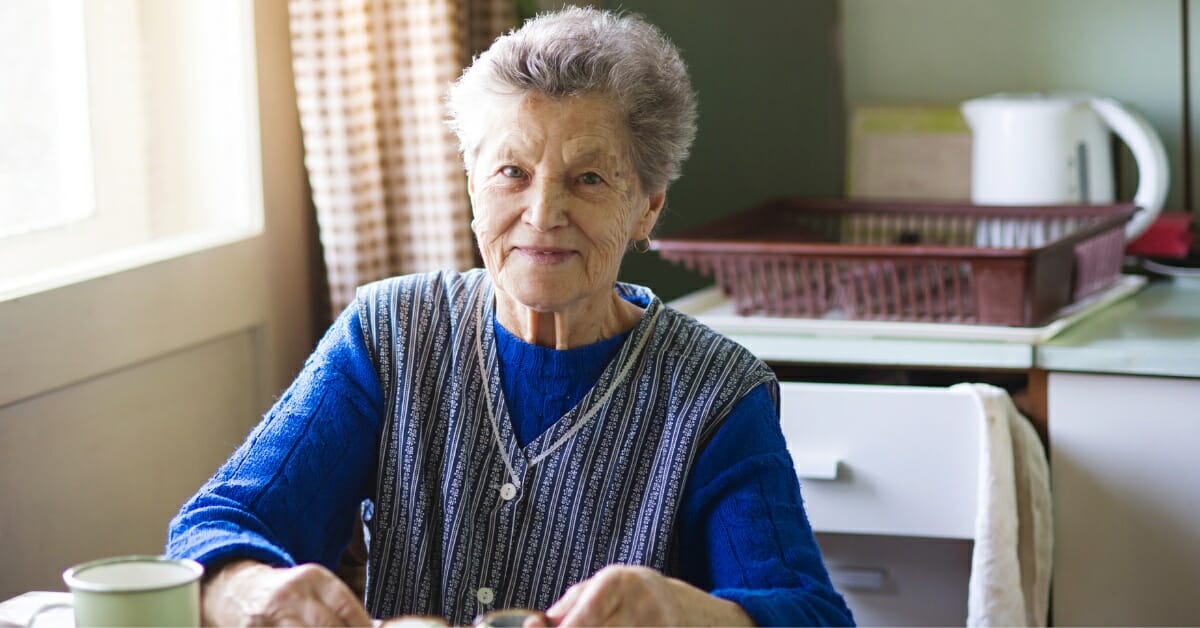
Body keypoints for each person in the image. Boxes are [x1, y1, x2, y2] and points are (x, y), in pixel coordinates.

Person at [167, 6, 854, 627]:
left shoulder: (715, 395)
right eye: (511, 173)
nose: (543, 214)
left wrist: (683, 612)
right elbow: (214, 526)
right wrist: (248, 590)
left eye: (588, 178)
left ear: (647, 204)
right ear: (471, 183)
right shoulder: (389, 334)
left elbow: (813, 615)